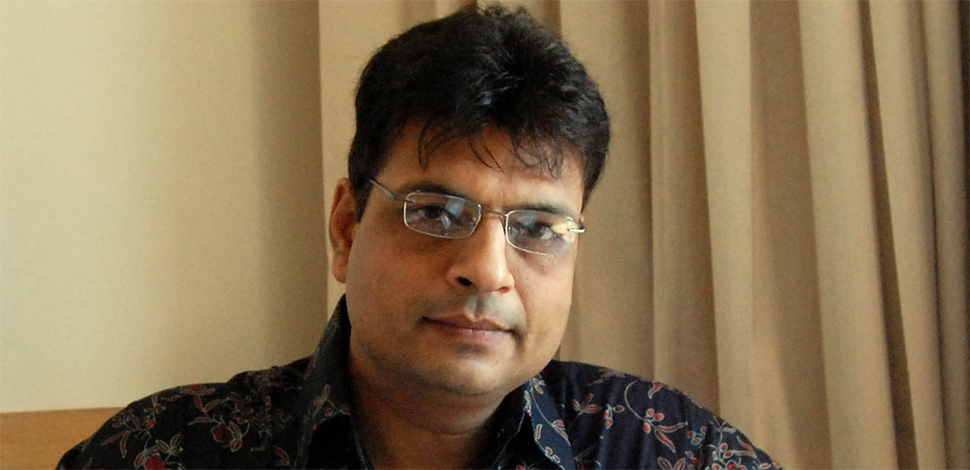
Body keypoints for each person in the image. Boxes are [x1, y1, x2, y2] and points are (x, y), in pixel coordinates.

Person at [59, 5, 780, 469]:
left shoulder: (666, 449)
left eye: (538, 228)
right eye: (435, 213)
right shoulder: (162, 452)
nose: (487, 271)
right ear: (346, 229)